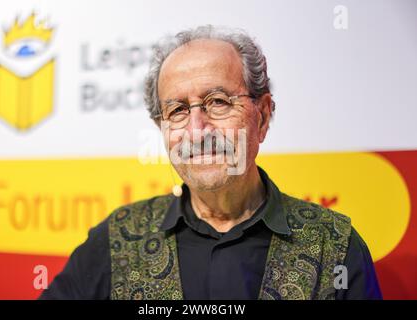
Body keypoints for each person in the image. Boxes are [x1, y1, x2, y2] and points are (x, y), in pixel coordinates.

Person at [40, 25, 382, 300]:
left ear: (262, 116)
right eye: (177, 110)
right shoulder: (117, 239)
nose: (196, 130)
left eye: (217, 102)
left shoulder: (333, 244)